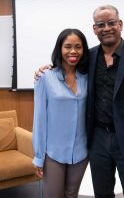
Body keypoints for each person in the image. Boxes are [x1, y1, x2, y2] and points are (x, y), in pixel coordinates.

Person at [35, 5, 124, 198]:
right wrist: (46, 68)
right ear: (95, 29)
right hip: (98, 140)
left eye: (111, 23)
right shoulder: (89, 56)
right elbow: (67, 66)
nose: (107, 28)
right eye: (101, 24)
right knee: (102, 193)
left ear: (120, 24)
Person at [32, 28, 89, 198]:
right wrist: (38, 157)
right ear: (60, 49)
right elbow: (40, 120)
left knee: (72, 195)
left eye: (78, 47)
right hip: (54, 152)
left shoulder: (88, 77)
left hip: (81, 151)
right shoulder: (45, 77)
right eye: (68, 46)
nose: (73, 51)